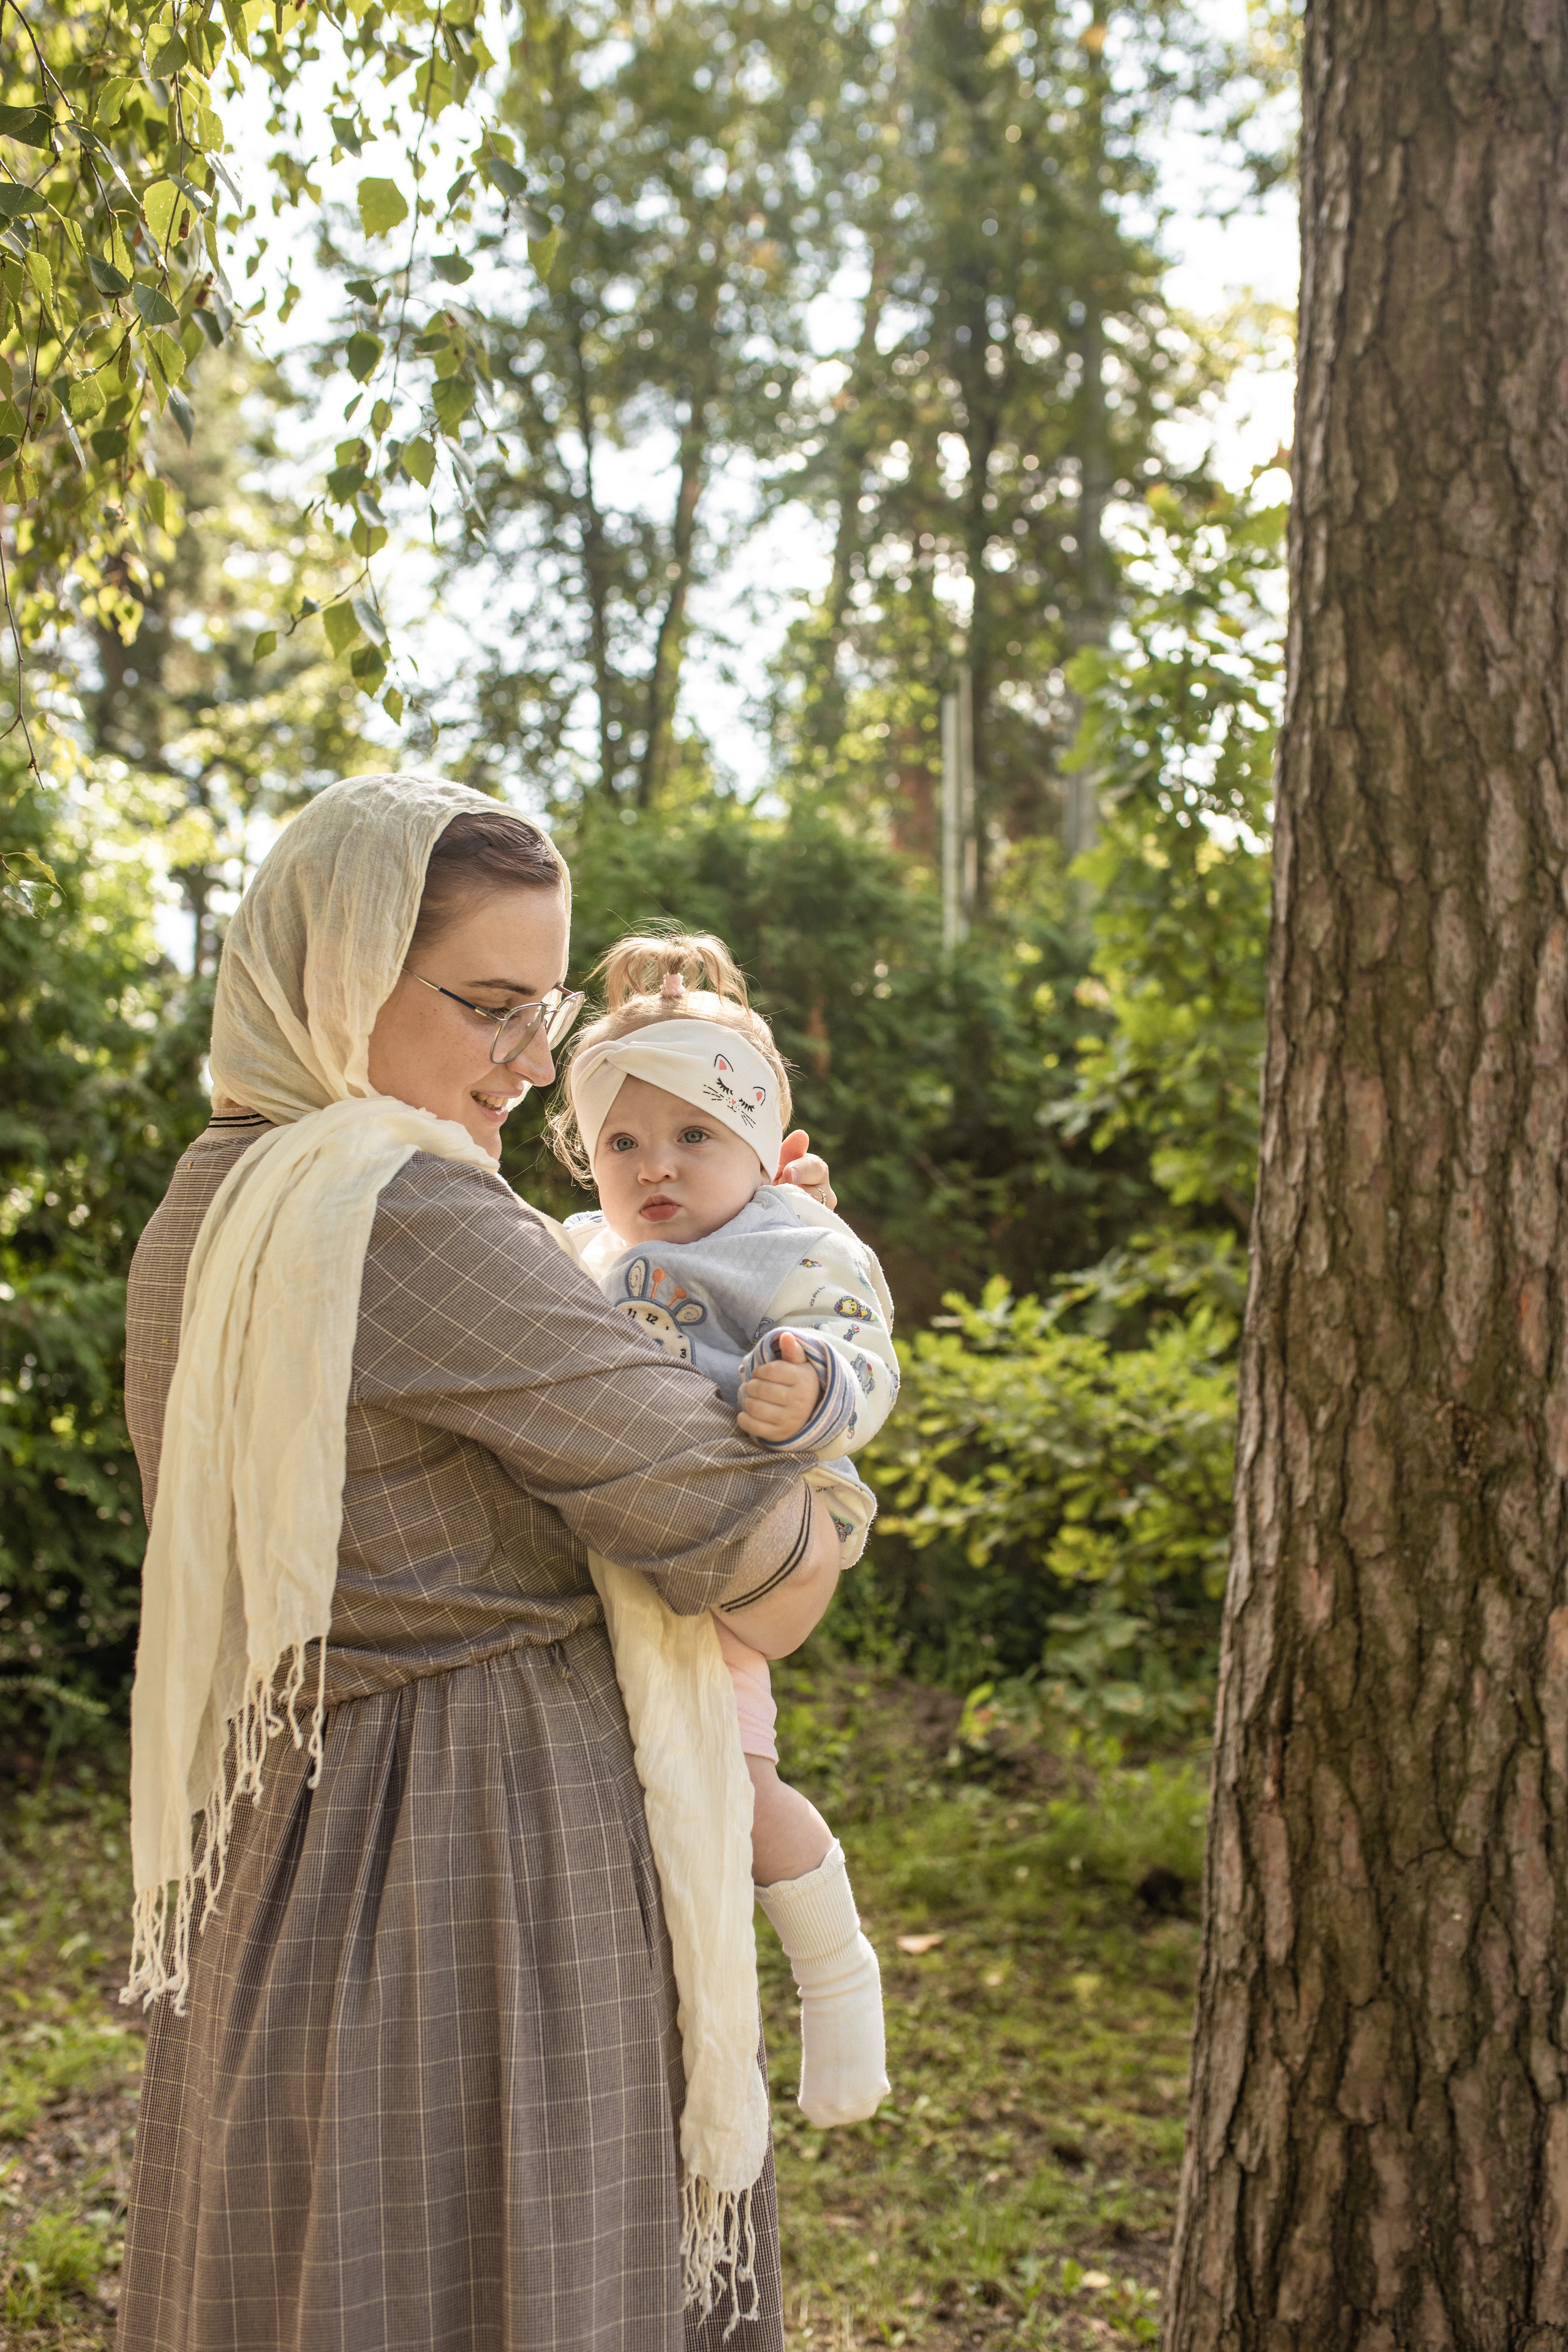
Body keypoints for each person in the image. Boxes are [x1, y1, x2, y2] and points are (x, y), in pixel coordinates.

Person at [117, 773, 848, 2352]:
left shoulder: (202, 1208)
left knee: (324, 2266)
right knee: (506, 2275)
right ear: (339, 973)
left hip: (288, 1846)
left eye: (546, 1011)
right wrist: (820, 1432)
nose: (531, 1065)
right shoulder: (405, 1212)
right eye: (488, 1007)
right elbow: (752, 1560)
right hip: (482, 1858)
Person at [549, 932, 894, 2132]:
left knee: (742, 1795)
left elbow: (861, 1347)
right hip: (609, 1580)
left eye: (694, 1135)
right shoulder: (585, 1251)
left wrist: (806, 1385)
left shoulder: (791, 1244)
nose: (657, 1167)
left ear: (763, 1147)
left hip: (749, 1539)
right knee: (629, 1819)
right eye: (622, 1142)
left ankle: (837, 1969)